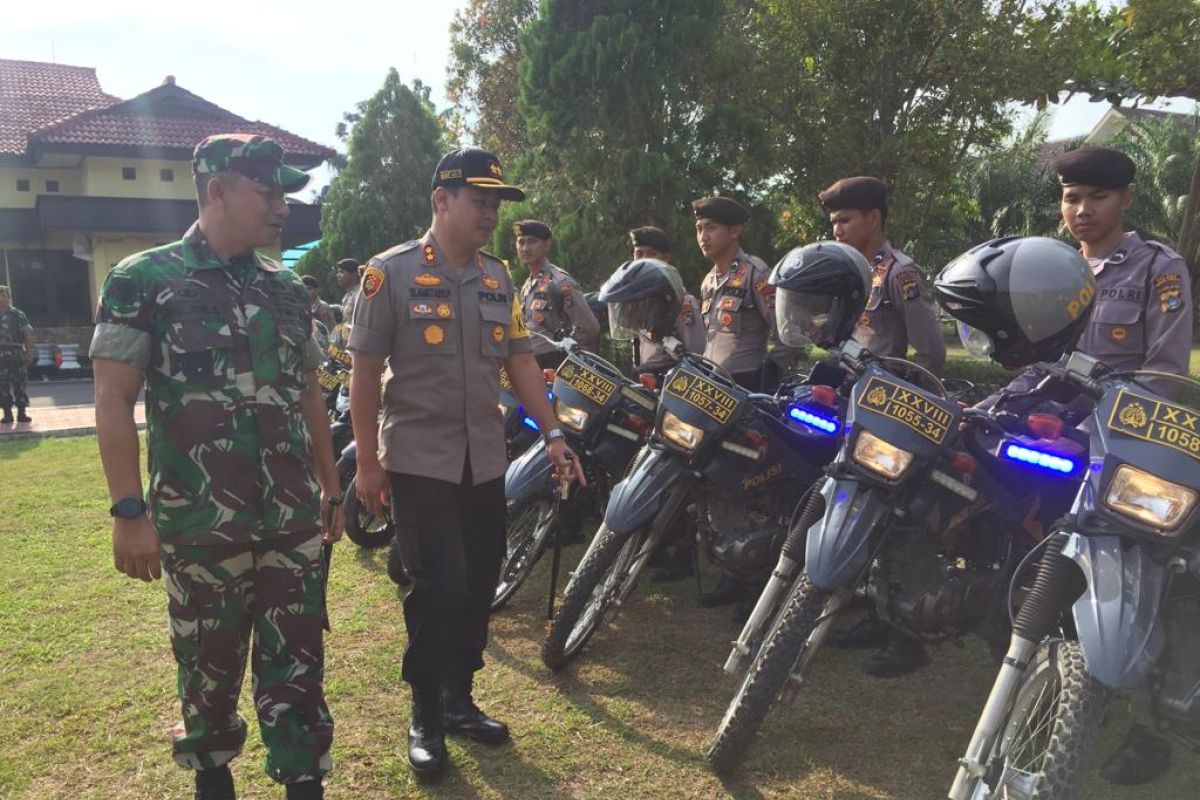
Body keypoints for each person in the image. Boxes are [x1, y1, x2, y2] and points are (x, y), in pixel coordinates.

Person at [89, 133, 343, 800]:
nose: (283, 205)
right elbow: (113, 400)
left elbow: (309, 389)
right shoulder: (143, 281)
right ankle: (212, 779)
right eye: (268, 190)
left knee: (299, 665)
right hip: (200, 523)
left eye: (286, 191)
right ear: (217, 190)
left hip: (290, 518)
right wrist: (127, 513)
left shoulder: (288, 291)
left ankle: (302, 780)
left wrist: (332, 484)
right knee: (207, 667)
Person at [347, 147, 584, 779]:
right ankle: (425, 711)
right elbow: (364, 373)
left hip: (483, 460)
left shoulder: (497, 278)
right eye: (479, 200)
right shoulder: (389, 274)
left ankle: (459, 698)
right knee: (438, 584)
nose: (489, 213)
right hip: (418, 461)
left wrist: (554, 433)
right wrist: (367, 462)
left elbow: (521, 360)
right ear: (441, 200)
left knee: (480, 582)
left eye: (496, 203)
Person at [976, 147, 1192, 787]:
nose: (1081, 210)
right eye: (1071, 198)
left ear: (1124, 200)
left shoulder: (1159, 265)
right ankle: (1031, 675)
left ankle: (1149, 729)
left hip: (1121, 449)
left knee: (1150, 579)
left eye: (1095, 198)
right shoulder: (1051, 266)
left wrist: (1116, 430)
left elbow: (1168, 370)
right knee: (1020, 540)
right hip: (1052, 435)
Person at [819, 176, 946, 374]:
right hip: (847, 389)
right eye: (833, 222)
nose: (837, 231)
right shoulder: (852, 273)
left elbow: (931, 353)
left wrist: (904, 395)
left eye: (844, 220)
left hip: (879, 397)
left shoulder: (900, 273)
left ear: (873, 219)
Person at [694, 196, 795, 391]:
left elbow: (788, 331)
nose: (703, 237)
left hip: (745, 385)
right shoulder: (708, 281)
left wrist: (769, 374)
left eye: (711, 228)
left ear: (735, 231)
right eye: (699, 229)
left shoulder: (755, 274)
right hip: (711, 384)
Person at [515, 220, 600, 367]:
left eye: (532, 242)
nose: (525, 248)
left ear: (546, 245)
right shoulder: (528, 285)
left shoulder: (560, 281)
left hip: (555, 363)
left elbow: (590, 327)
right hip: (532, 363)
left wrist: (565, 348)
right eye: (521, 242)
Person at [626, 226, 704, 374]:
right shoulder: (638, 300)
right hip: (643, 379)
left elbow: (697, 356)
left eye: (652, 254)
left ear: (666, 258)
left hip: (672, 381)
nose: (644, 260)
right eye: (639, 253)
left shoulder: (681, 301)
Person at [0, 284, 34, 423]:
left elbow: (28, 334)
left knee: (20, 384)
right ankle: (7, 413)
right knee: (2, 386)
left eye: (3, 295)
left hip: (16, 355)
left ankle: (22, 412)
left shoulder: (17, 314)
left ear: (9, 297)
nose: (0, 299)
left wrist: (29, 352)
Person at [333, 258, 361, 327]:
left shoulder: (361, 294)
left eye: (342, 272)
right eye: (338, 272)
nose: (338, 275)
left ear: (354, 274)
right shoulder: (346, 297)